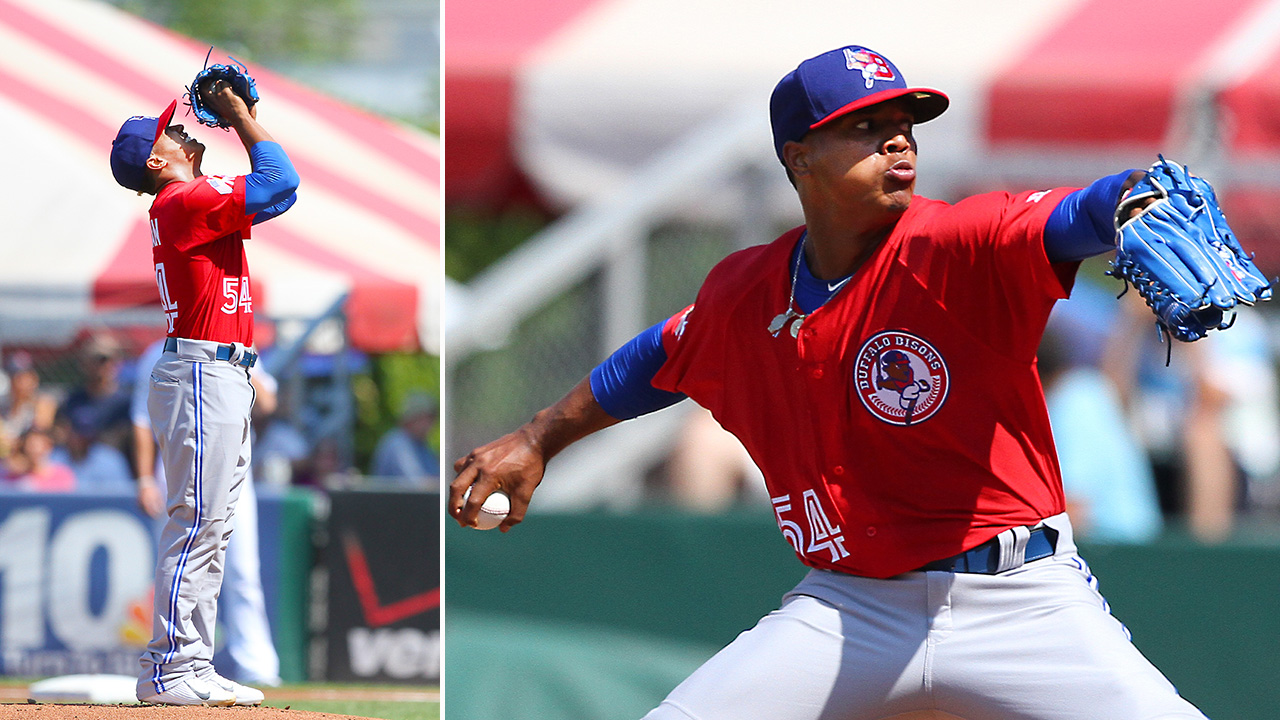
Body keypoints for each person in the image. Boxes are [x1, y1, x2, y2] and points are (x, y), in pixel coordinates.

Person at [451, 46, 1212, 718]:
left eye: (906, 123)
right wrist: (537, 437)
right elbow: (654, 358)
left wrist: (1127, 198)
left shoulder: (955, 245)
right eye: (862, 126)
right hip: (852, 603)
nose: (897, 139)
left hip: (1020, 598)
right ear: (799, 156)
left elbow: (1064, 216)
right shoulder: (746, 291)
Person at [109, 80, 299, 706]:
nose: (185, 128)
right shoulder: (184, 198)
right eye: (171, 130)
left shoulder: (188, 198)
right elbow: (281, 179)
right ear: (157, 161)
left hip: (219, 370)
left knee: (212, 526)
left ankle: (191, 661)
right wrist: (242, 116)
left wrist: (247, 120)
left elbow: (278, 193)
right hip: (201, 370)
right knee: (196, 523)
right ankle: (168, 668)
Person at [131, 337, 284, 688]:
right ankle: (172, 660)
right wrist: (143, 478)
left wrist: (237, 365)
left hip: (233, 470)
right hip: (174, 468)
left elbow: (269, 403)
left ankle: (252, 663)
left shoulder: (236, 343)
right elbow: (141, 419)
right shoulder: (156, 352)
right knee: (184, 563)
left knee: (242, 571)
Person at [370, 391, 440, 484]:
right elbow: (417, 484)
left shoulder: (423, 447)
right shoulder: (397, 443)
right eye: (425, 418)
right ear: (411, 418)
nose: (429, 425)